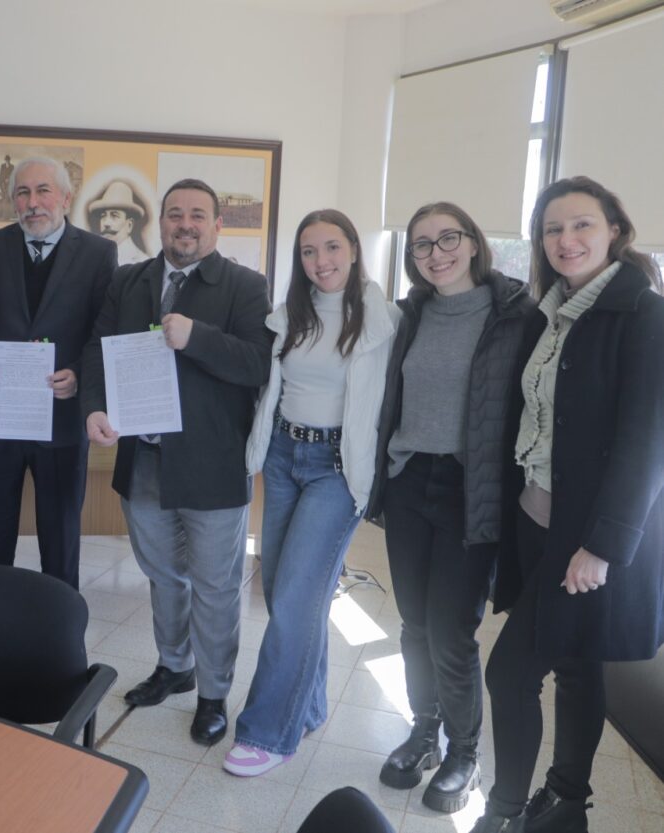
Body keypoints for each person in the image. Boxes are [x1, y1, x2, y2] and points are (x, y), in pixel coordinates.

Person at [472, 177, 664, 833]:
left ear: (614, 228)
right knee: (578, 666)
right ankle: (567, 803)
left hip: (584, 536)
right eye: (552, 229)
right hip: (535, 516)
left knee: (508, 673)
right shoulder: (548, 310)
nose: (565, 240)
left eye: (581, 224)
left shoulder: (644, 312)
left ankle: (502, 812)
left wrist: (605, 544)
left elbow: (648, 439)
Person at [82, 178, 271, 745]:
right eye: (174, 215)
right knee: (163, 576)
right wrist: (93, 406)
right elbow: (97, 348)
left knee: (215, 586)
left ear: (216, 226)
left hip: (211, 465)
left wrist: (198, 338)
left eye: (197, 215)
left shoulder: (245, 286)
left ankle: (213, 693)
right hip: (143, 460)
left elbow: (257, 365)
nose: (184, 224)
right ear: (158, 223)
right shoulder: (129, 280)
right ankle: (174, 665)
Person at [366, 203, 534, 812]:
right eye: (420, 245)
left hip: (475, 487)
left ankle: (465, 751)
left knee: (450, 631)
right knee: (412, 622)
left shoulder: (516, 314)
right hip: (411, 482)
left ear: (472, 242)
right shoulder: (410, 314)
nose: (435, 253)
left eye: (447, 239)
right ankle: (423, 732)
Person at [224, 210, 398, 776]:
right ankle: (312, 702)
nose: (320, 262)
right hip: (282, 457)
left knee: (298, 598)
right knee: (284, 591)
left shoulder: (383, 320)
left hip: (336, 469)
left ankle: (268, 733)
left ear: (353, 249)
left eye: (331, 248)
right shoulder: (287, 317)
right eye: (308, 252)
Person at [0, 156, 117, 589]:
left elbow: (104, 330)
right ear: (13, 201)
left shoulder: (99, 253)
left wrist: (80, 374)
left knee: (60, 537)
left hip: (62, 421)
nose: (33, 202)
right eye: (23, 193)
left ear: (65, 198)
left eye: (43, 191)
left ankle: (59, 638)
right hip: (1, 416)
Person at [88, 180, 150, 264]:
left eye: (114, 216)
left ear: (129, 225)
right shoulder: (92, 258)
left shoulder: (142, 262)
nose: (106, 223)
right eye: (103, 216)